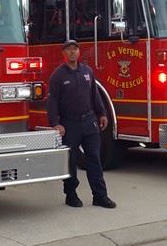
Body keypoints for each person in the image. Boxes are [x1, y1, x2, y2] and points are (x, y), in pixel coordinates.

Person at [47, 39, 116, 208]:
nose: (72, 52)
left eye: (75, 49)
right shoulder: (58, 75)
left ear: (79, 52)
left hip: (89, 122)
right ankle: (71, 195)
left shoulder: (87, 72)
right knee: (71, 161)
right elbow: (53, 101)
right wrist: (55, 123)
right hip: (70, 125)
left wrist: (102, 114)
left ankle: (100, 196)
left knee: (94, 158)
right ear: (63, 53)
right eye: (69, 50)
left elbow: (95, 95)